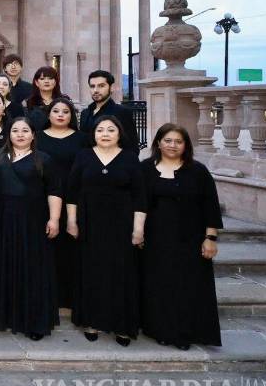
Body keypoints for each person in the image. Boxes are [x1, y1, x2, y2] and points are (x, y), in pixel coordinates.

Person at [66, 115, 147, 346]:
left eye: (111, 129)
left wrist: (138, 229)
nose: (105, 134)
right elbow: (72, 191)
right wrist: (71, 221)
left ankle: (122, 325)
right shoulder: (83, 156)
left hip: (121, 224)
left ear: (119, 133)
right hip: (89, 223)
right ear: (93, 134)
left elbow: (140, 196)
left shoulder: (130, 158)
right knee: (91, 271)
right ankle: (91, 321)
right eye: (100, 129)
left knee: (121, 273)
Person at [139, 124, 222, 350]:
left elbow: (210, 206)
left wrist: (210, 238)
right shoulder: (145, 169)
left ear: (186, 145)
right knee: (158, 285)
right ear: (158, 143)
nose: (172, 145)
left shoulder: (198, 171)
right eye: (168, 140)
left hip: (190, 239)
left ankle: (184, 334)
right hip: (155, 240)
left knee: (188, 286)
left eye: (178, 141)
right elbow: (138, 204)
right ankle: (160, 330)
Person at [0, 117, 62, 341]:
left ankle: (34, 322)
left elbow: (54, 190)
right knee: (6, 265)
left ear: (33, 135)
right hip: (3, 220)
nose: (20, 134)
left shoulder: (44, 159)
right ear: (9, 134)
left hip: (33, 221)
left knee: (32, 269)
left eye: (25, 130)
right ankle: (8, 317)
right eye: (15, 131)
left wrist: (54, 219)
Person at [36, 97, 87, 310]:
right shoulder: (37, 137)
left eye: (65, 112)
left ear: (71, 116)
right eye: (56, 111)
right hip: (43, 197)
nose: (60, 115)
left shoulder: (82, 138)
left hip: (73, 196)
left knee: (71, 247)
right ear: (48, 114)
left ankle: (70, 297)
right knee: (47, 246)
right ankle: (49, 296)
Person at [79, 70, 139, 152]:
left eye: (101, 86)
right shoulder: (85, 113)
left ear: (111, 88)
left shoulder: (122, 112)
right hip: (86, 159)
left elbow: (132, 147)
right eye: (92, 86)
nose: (95, 90)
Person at [25, 66, 62, 132]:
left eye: (50, 78)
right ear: (36, 83)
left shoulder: (63, 101)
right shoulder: (28, 103)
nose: (46, 81)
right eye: (42, 79)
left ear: (55, 82)